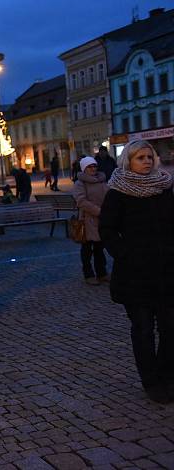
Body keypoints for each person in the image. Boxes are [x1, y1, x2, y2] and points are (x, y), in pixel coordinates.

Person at [99, 140, 174, 404]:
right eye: (140, 157)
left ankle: (167, 376)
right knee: (143, 329)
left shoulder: (164, 188)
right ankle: (151, 381)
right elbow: (106, 229)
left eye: (149, 157)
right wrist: (125, 254)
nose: (146, 161)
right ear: (128, 161)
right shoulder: (118, 192)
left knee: (169, 328)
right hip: (135, 275)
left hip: (167, 273)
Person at [72, 157, 109, 286]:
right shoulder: (79, 183)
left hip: (102, 219)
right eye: (90, 166)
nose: (93, 168)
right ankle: (88, 274)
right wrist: (98, 211)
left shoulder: (102, 180)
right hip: (87, 220)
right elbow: (81, 201)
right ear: (84, 168)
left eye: (94, 166)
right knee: (87, 249)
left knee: (100, 248)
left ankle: (102, 273)